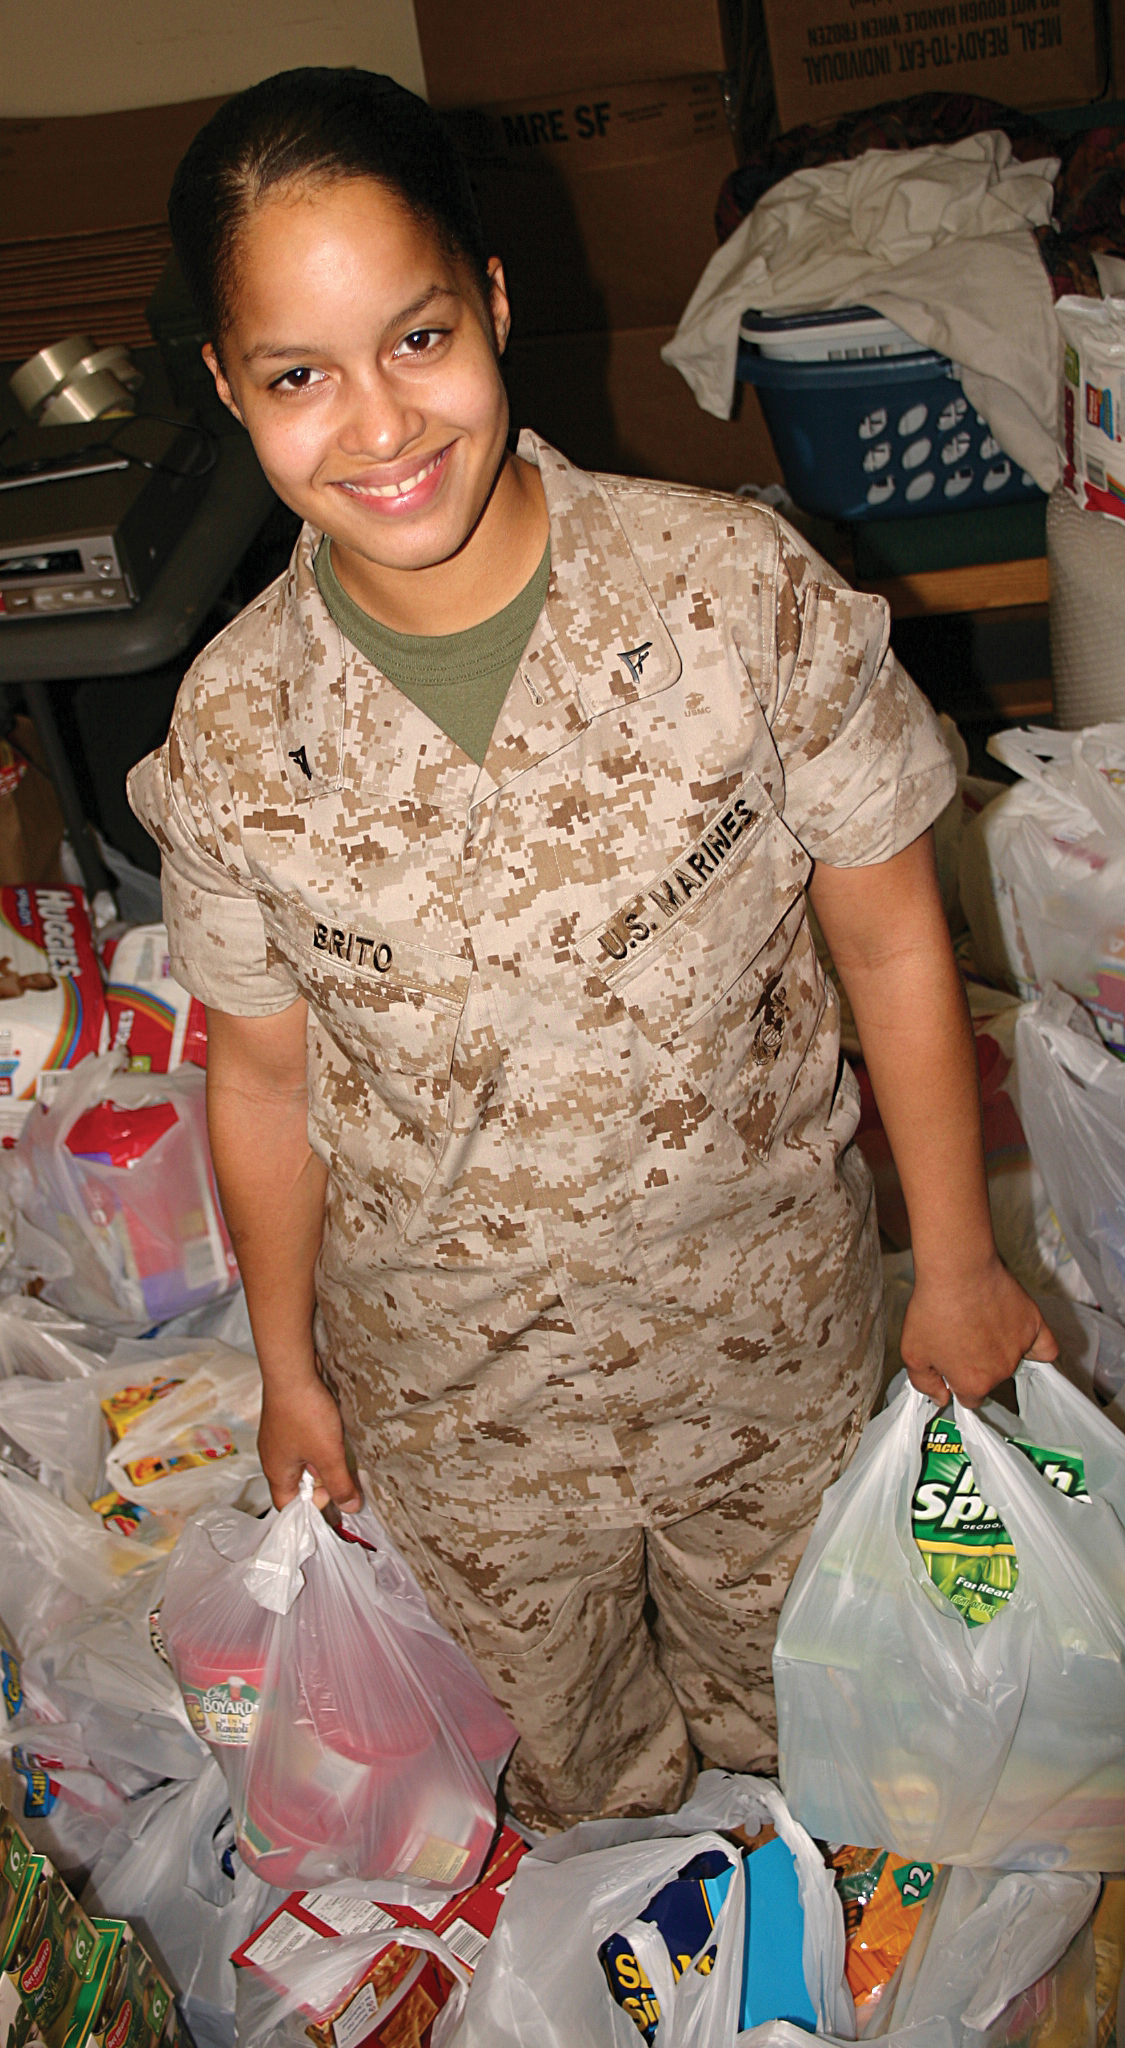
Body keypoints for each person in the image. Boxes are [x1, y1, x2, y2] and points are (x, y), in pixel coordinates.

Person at [130, 67, 1056, 1828]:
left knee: (830, 1746)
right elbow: (259, 1078)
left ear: (491, 296)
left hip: (764, 1351)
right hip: (461, 1414)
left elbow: (898, 950)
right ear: (229, 390)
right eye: (300, 377)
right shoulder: (238, 730)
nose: (380, 426)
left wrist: (952, 1262)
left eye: (415, 337)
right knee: (575, 1791)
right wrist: (288, 1373)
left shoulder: (735, 597)